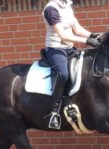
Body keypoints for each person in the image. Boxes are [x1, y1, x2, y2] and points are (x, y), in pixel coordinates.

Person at [43, 0, 101, 129]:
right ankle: (54, 113)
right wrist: (87, 40)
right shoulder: (51, 9)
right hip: (55, 49)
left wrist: (94, 36)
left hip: (69, 49)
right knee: (63, 74)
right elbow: (63, 36)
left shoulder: (68, 5)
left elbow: (77, 29)